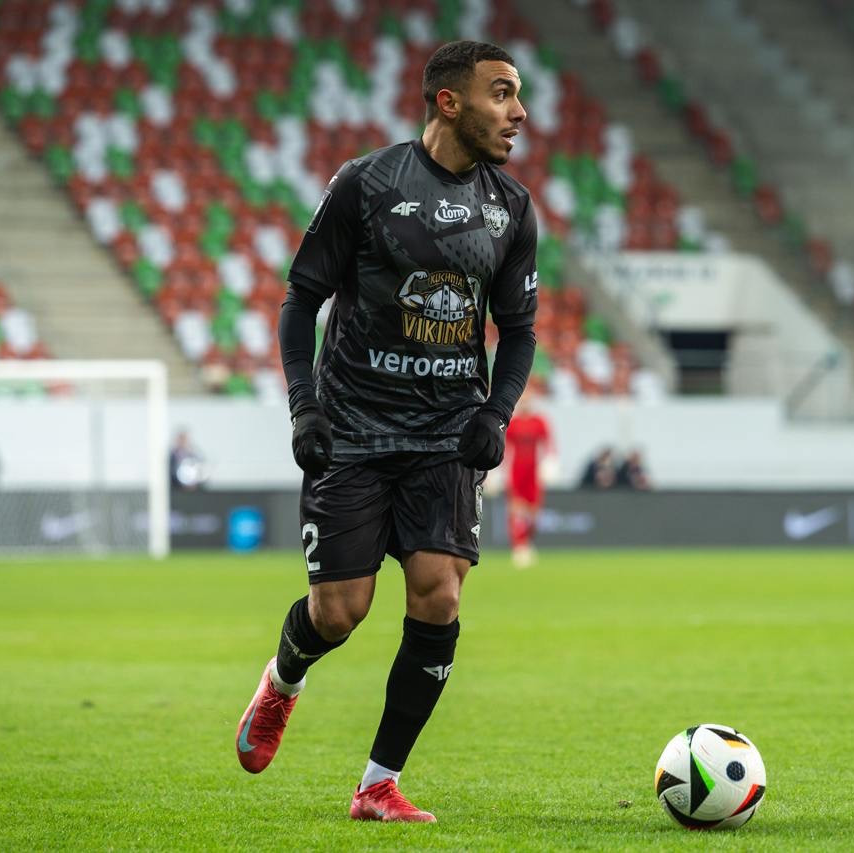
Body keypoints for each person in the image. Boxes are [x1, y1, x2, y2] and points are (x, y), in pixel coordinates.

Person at [234, 40, 536, 824]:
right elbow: (300, 299)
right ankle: (283, 680)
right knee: (339, 611)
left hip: (445, 434)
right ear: (449, 102)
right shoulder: (367, 184)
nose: (519, 112)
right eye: (502, 93)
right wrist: (304, 407)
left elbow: (520, 330)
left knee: (439, 594)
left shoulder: (511, 208)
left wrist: (494, 413)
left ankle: (377, 783)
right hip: (354, 427)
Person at [503, 378, 553, 568]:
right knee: (516, 510)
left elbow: (548, 445)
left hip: (534, 472)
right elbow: (505, 449)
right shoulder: (513, 423)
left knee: (534, 514)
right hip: (516, 470)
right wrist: (497, 471)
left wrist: (549, 463)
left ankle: (527, 542)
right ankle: (518, 546)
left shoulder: (539, 422)